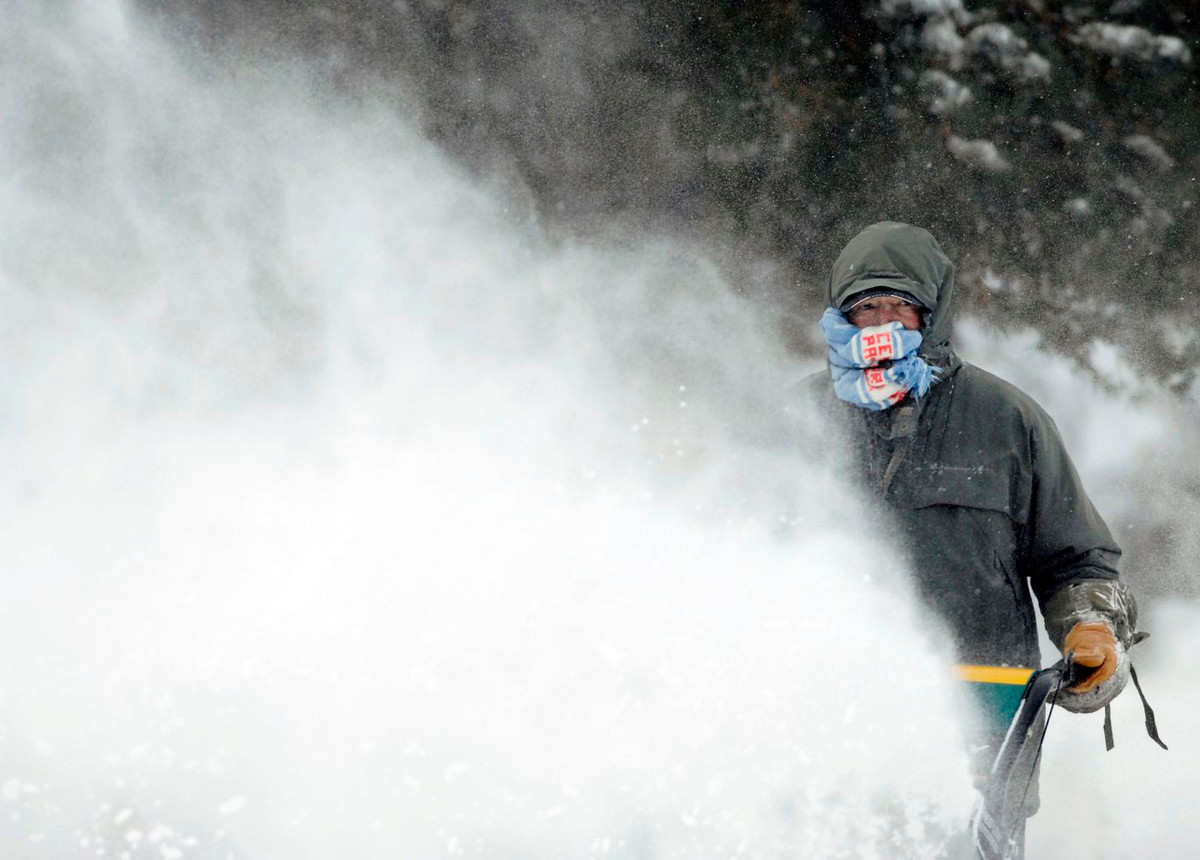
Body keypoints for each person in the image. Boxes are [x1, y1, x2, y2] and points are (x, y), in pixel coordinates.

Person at [803, 221, 1141, 853]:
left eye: (900, 306)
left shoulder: (1007, 420)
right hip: (821, 733)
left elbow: (1077, 561)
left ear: (932, 314)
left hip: (984, 733)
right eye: (865, 306)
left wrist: (1090, 630)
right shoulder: (789, 419)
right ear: (840, 314)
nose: (882, 323)